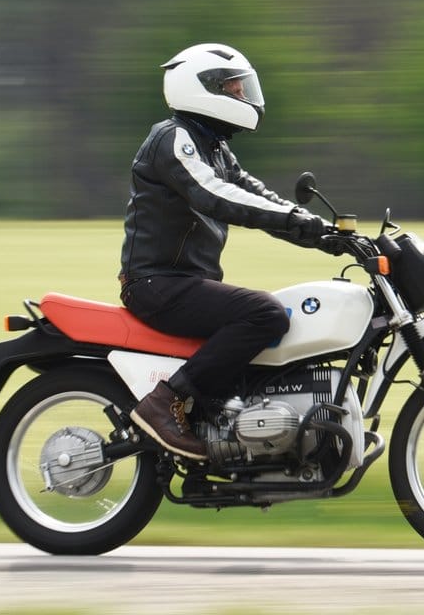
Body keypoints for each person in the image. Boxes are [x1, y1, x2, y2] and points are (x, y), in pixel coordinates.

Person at [119, 42, 334, 460]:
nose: (242, 97)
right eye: (234, 89)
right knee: (265, 313)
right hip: (156, 283)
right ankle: (166, 402)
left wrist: (327, 235)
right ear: (200, 89)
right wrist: (297, 221)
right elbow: (213, 195)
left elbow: (256, 196)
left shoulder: (214, 147)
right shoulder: (173, 138)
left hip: (185, 283)